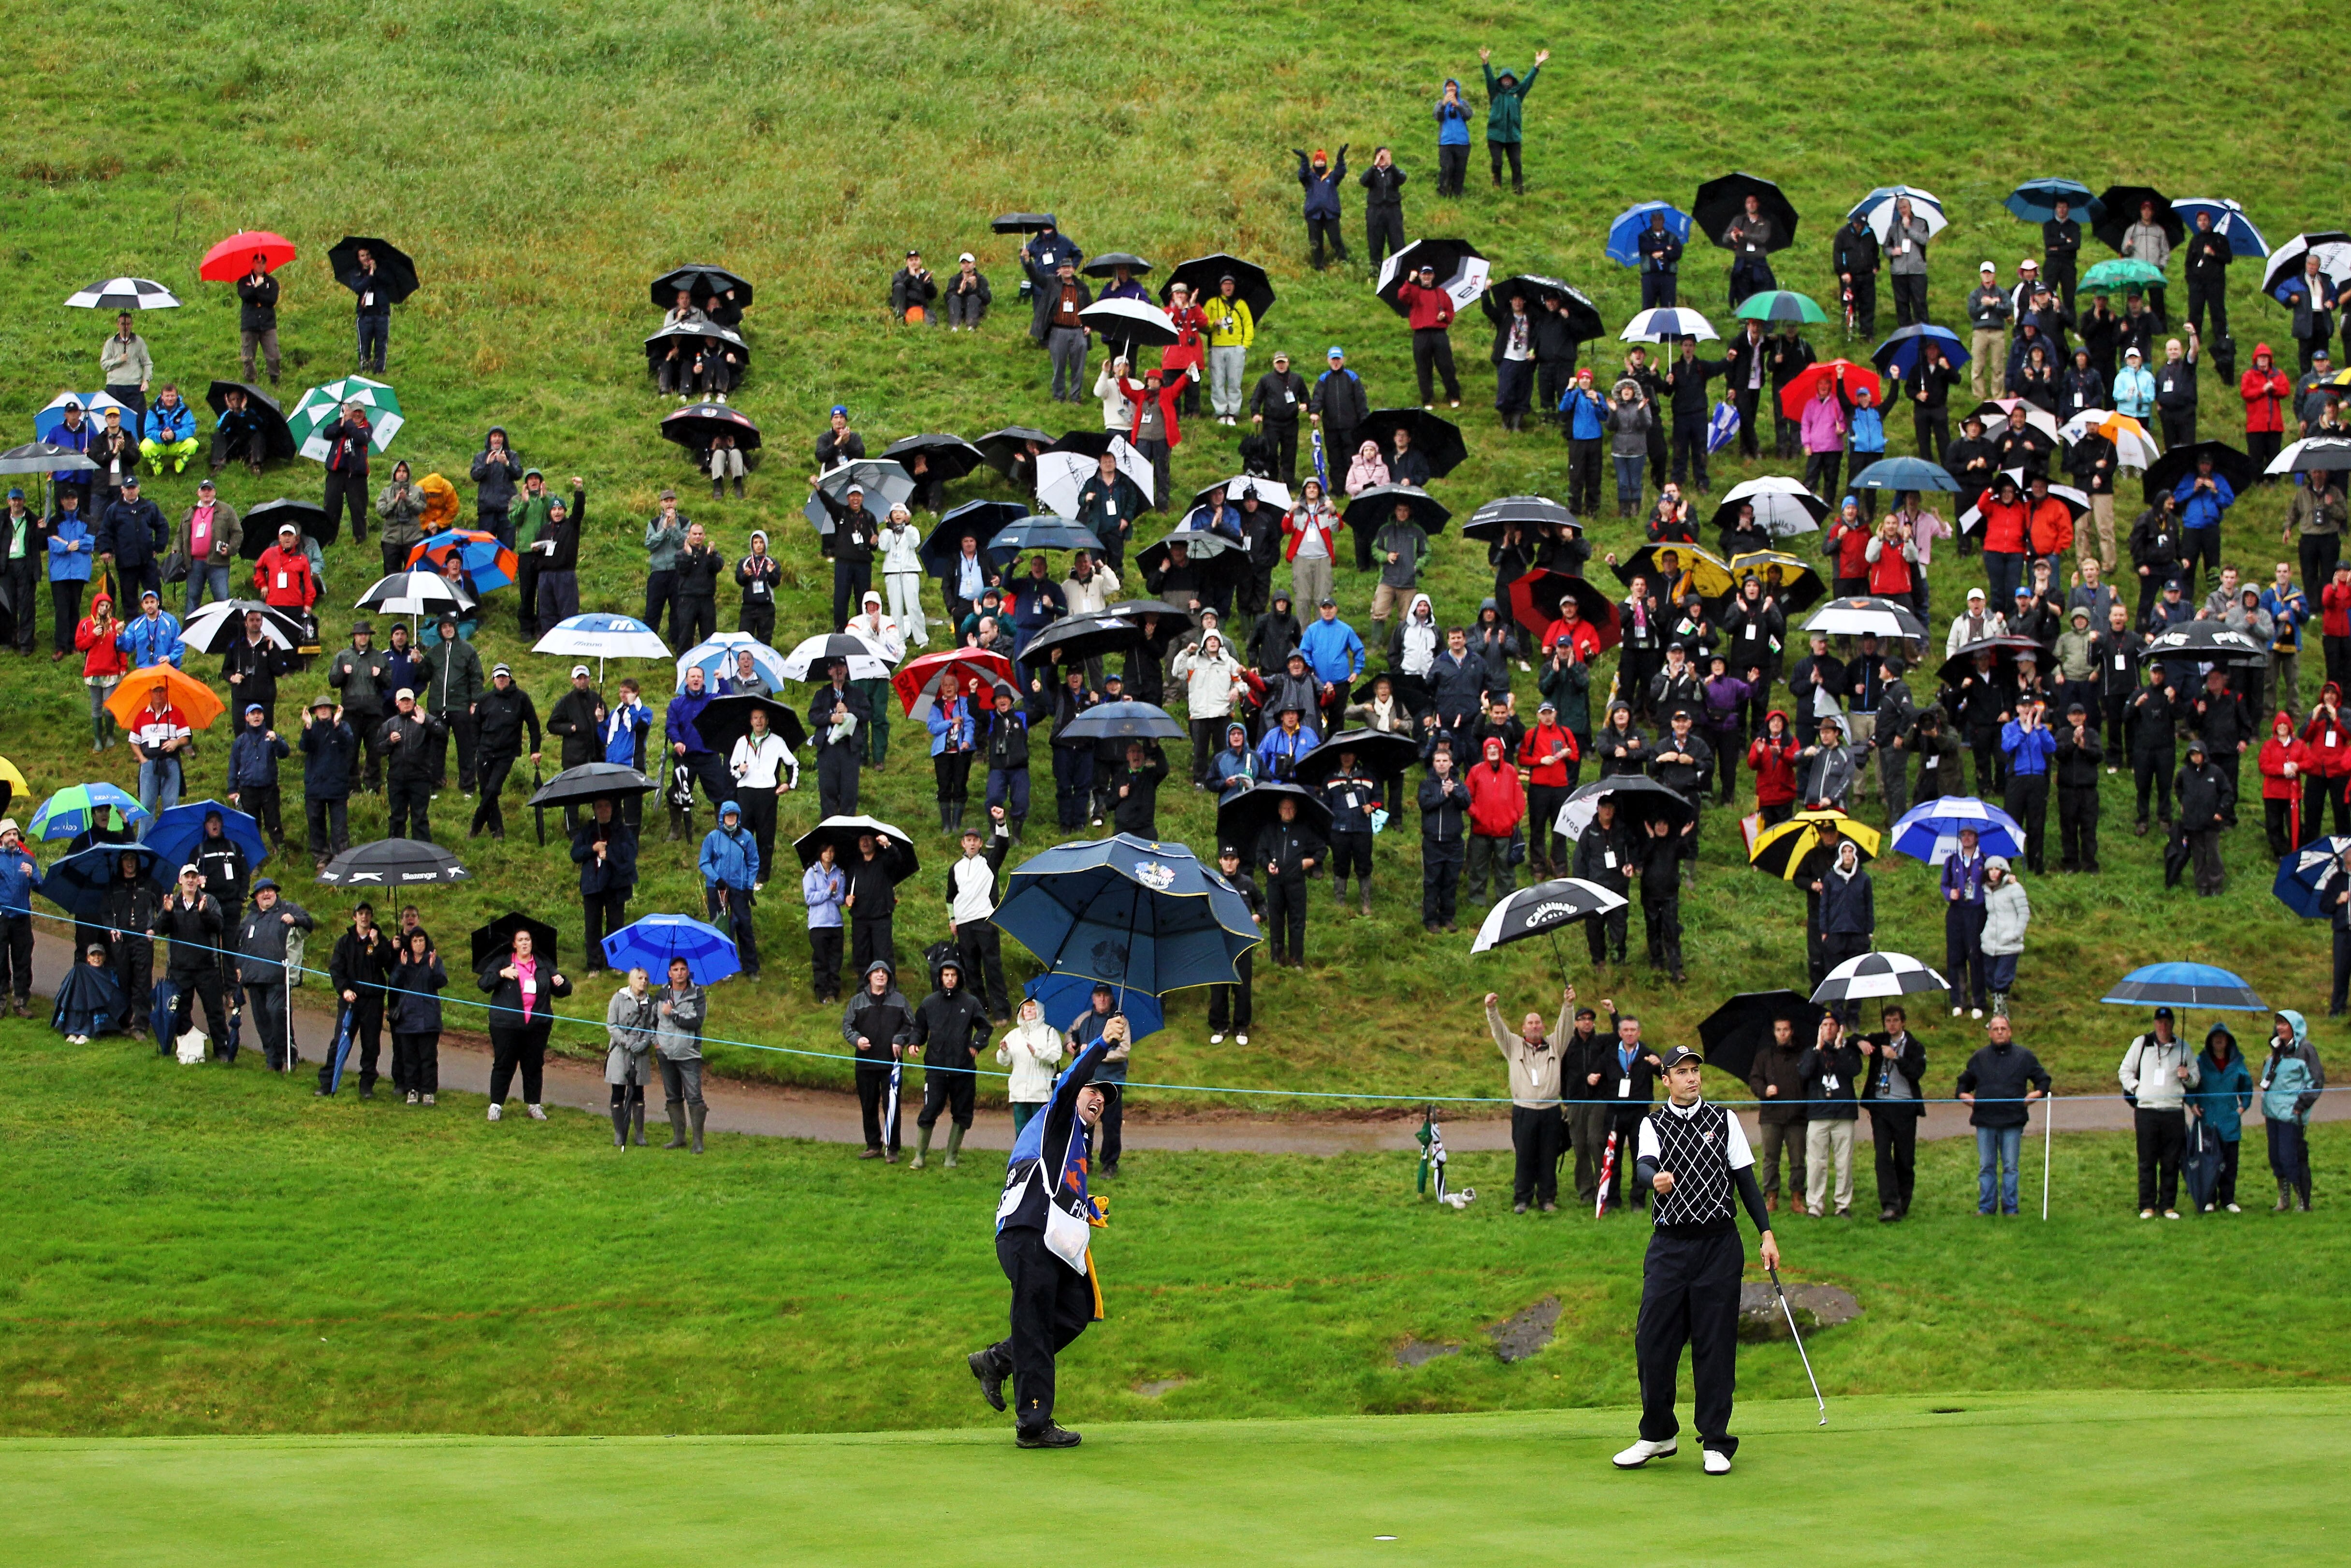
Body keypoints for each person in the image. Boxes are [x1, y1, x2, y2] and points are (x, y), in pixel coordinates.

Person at [1611, 1043, 1781, 1476]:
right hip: (1669, 1247)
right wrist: (1657, 1180)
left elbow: (1746, 1181)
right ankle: (1658, 1434)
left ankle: (1716, 1441)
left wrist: (1766, 1234)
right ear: (1665, 1079)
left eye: (1694, 1071)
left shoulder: (1724, 1120)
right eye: (1681, 1072)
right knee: (1653, 1342)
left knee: (1715, 1344)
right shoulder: (1653, 1123)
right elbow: (1644, 1168)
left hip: (1718, 1247)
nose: (1691, 1078)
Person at [967, 1032, 1115, 1449]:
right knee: (1034, 1322)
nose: (1100, 1099)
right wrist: (1103, 1043)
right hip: (1028, 1232)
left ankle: (997, 1361)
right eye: (1094, 1091)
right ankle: (1033, 1423)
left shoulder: (1077, 1142)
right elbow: (1069, 1082)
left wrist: (1089, 1208)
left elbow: (1061, 1188)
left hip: (1046, 1240)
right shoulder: (1058, 1115)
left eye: (1106, 1099)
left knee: (1074, 1311)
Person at [1485, 985, 1573, 1213]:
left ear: (1544, 1027)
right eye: (1530, 1023)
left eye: (1538, 1023)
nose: (1535, 1026)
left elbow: (1566, 1027)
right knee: (1524, 1155)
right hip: (1524, 1110)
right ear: (1524, 1028)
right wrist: (1491, 1009)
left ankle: (1547, 1199)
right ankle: (1522, 1199)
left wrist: (1568, 1005)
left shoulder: (1555, 1045)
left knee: (1548, 1157)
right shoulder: (1513, 1046)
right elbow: (1498, 1030)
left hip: (1551, 1110)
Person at [1956, 1016, 2049, 1216]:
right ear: (1989, 1033)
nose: (2000, 1032)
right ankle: (1986, 1207)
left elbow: (2043, 1081)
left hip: (2012, 1120)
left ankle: (2011, 1208)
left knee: (2010, 1166)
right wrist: (1967, 1098)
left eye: (2004, 1028)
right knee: (1986, 1166)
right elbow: (1963, 1084)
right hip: (1985, 1120)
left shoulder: (2024, 1056)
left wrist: (2034, 1096)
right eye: (1996, 1029)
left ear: (2010, 1031)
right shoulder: (1979, 1058)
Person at [477, 927, 568, 1124]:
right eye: (521, 940)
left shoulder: (543, 964)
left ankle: (534, 1105)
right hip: (506, 1025)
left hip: (537, 1025)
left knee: (534, 1065)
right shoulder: (503, 961)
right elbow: (484, 984)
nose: (525, 943)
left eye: (528, 939)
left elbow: (563, 990)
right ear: (514, 944)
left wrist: (562, 981)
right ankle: (496, 1105)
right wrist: (502, 974)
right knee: (504, 1064)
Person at [2117, 1007, 2199, 1220]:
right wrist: (2137, 1088)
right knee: (2147, 1159)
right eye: (2159, 1022)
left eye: (2167, 1022)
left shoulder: (2184, 1048)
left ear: (2172, 1024)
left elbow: (2196, 1079)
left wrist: (2187, 1075)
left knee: (2171, 1160)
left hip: (2173, 1111)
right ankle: (2147, 1205)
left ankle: (2168, 1205)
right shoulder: (2142, 1043)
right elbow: (2124, 1070)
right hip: (2147, 1111)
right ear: (2155, 1024)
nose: (2163, 1026)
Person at [229, 878, 310, 1073]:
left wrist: (295, 920)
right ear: (256, 897)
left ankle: (287, 1054)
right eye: (262, 892)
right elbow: (239, 945)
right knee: (262, 1020)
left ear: (275, 893)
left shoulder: (288, 909)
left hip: (279, 977)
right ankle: (272, 1060)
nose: (267, 895)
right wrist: (239, 967)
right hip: (254, 977)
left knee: (277, 1014)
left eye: (270, 891)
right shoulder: (249, 918)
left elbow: (309, 924)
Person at [1858, 1006, 1927, 1222]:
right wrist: (1861, 1042)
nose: (1892, 1025)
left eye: (1895, 1020)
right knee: (1882, 1157)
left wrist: (1896, 1058)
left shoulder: (1914, 1046)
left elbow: (1917, 1072)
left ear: (1903, 1022)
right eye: (1888, 1021)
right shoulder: (1880, 1040)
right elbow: (1854, 1038)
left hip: (1905, 1106)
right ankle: (1889, 1204)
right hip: (1881, 1107)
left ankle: (1903, 1202)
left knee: (1905, 1159)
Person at [321, 901, 396, 1095]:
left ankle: (366, 1086)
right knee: (339, 1041)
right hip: (350, 1000)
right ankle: (328, 1083)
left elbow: (389, 965)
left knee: (371, 1044)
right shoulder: (344, 942)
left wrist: (378, 944)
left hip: (373, 1001)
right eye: (361, 914)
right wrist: (344, 990)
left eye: (368, 914)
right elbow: (336, 970)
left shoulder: (380, 939)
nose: (364, 917)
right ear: (354, 917)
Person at [1796, 1013, 1862, 1219]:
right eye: (1825, 1025)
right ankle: (1815, 1206)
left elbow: (1854, 1071)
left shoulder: (1848, 1051)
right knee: (1816, 1163)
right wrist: (1818, 1049)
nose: (1829, 1029)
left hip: (1844, 1114)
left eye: (1833, 1025)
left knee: (1844, 1162)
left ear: (1839, 1029)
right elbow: (1804, 1073)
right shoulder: (1811, 1052)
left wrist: (1841, 1048)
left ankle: (1842, 1205)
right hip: (1818, 1115)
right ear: (1819, 1029)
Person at [467, 663, 541, 840]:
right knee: (486, 792)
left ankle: (476, 826)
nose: (501, 680)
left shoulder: (521, 698)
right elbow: (475, 724)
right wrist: (477, 747)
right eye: (498, 677)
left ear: (510, 678)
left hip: (506, 754)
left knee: (493, 789)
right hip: (485, 752)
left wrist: (535, 750)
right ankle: (497, 830)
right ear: (493, 680)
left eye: (504, 676)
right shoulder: (486, 699)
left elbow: (533, 725)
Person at [1255, 793, 1323, 969]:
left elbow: (1322, 849)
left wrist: (1311, 861)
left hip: (1296, 882)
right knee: (1276, 921)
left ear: (1296, 811)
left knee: (1297, 921)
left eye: (1292, 808)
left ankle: (1297, 960)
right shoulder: (1270, 830)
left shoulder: (1303, 830)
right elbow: (1260, 852)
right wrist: (1267, 864)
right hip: (1275, 882)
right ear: (1279, 811)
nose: (1288, 811)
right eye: (1285, 808)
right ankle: (1277, 958)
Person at [2260, 1013, 2319, 1211]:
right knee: (2275, 1157)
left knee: (2291, 1156)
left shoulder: (2305, 1049)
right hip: (2272, 1113)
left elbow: (2316, 1081)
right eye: (2278, 1023)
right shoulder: (2276, 1050)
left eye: (2284, 1024)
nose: (2280, 1027)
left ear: (2295, 1026)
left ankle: (2303, 1200)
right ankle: (2284, 1198)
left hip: (2292, 1115)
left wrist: (2300, 1106)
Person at [386, 928, 446, 1109]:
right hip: (408, 1018)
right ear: (410, 944)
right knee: (410, 1057)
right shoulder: (404, 960)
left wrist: (434, 968)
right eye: (415, 941)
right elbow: (394, 982)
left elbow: (441, 982)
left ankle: (428, 1091)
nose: (419, 944)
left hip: (429, 1018)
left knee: (428, 1057)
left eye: (422, 940)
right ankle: (412, 1088)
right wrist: (403, 967)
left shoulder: (433, 960)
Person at [603, 966, 657, 1148]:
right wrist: (626, 1042)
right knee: (618, 1090)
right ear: (632, 980)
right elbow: (611, 1025)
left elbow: (652, 1027)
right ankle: (620, 1132)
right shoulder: (619, 998)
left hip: (640, 1052)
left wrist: (645, 1042)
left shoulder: (651, 1003)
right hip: (621, 1049)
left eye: (646, 979)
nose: (644, 982)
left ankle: (639, 1134)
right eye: (640, 978)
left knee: (638, 1092)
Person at [1478, 47, 1546, 191]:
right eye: (1504, 79)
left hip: (1513, 135)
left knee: (1516, 163)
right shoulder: (1495, 92)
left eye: (1509, 79)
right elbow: (1489, 78)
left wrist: (1537, 66)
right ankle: (1496, 185)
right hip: (1495, 135)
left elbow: (1528, 81)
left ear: (1513, 81)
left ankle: (1518, 189)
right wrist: (1485, 63)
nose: (1507, 81)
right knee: (1497, 163)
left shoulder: (1518, 94)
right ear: (1501, 80)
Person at [1395, 262, 1462, 410]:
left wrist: (1445, 316)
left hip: (1439, 333)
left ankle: (1453, 395)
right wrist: (1410, 281)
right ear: (1420, 276)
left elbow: (1450, 312)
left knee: (1447, 366)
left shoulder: (1441, 293)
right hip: (1421, 334)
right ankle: (1427, 399)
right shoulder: (1414, 291)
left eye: (1429, 274)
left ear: (1433, 276)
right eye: (1424, 274)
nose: (1427, 277)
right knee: (1424, 368)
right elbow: (1402, 296)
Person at [1977, 855, 2030, 1021]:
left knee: (2002, 979)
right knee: (1990, 978)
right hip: (1990, 942)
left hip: (2009, 943)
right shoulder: (1985, 889)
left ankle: (1998, 1016)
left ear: (2003, 871)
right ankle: (2001, 1012)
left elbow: (2024, 913)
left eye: (1997, 869)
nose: (1994, 873)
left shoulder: (2015, 888)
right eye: (1990, 869)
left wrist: (2015, 934)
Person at [1294, 145, 1349, 268]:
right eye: (1317, 160)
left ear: (1325, 162)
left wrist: (1340, 158)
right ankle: (1319, 266)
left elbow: (1341, 172)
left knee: (1336, 240)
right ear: (1314, 162)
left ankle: (1344, 262)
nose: (1320, 162)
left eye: (1322, 160)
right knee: (1316, 242)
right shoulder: (1310, 177)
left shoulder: (1332, 176)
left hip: (1330, 213)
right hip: (1314, 214)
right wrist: (1304, 159)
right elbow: (1302, 175)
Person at [943, 251, 991, 330]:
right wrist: (960, 291)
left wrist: (976, 288)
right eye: (964, 263)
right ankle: (954, 326)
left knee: (973, 298)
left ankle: (971, 326)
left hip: (976, 308)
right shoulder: (955, 279)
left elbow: (987, 299)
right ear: (961, 266)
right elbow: (947, 296)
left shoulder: (981, 279)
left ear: (974, 264)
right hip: (959, 307)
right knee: (954, 299)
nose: (966, 265)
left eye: (969, 263)